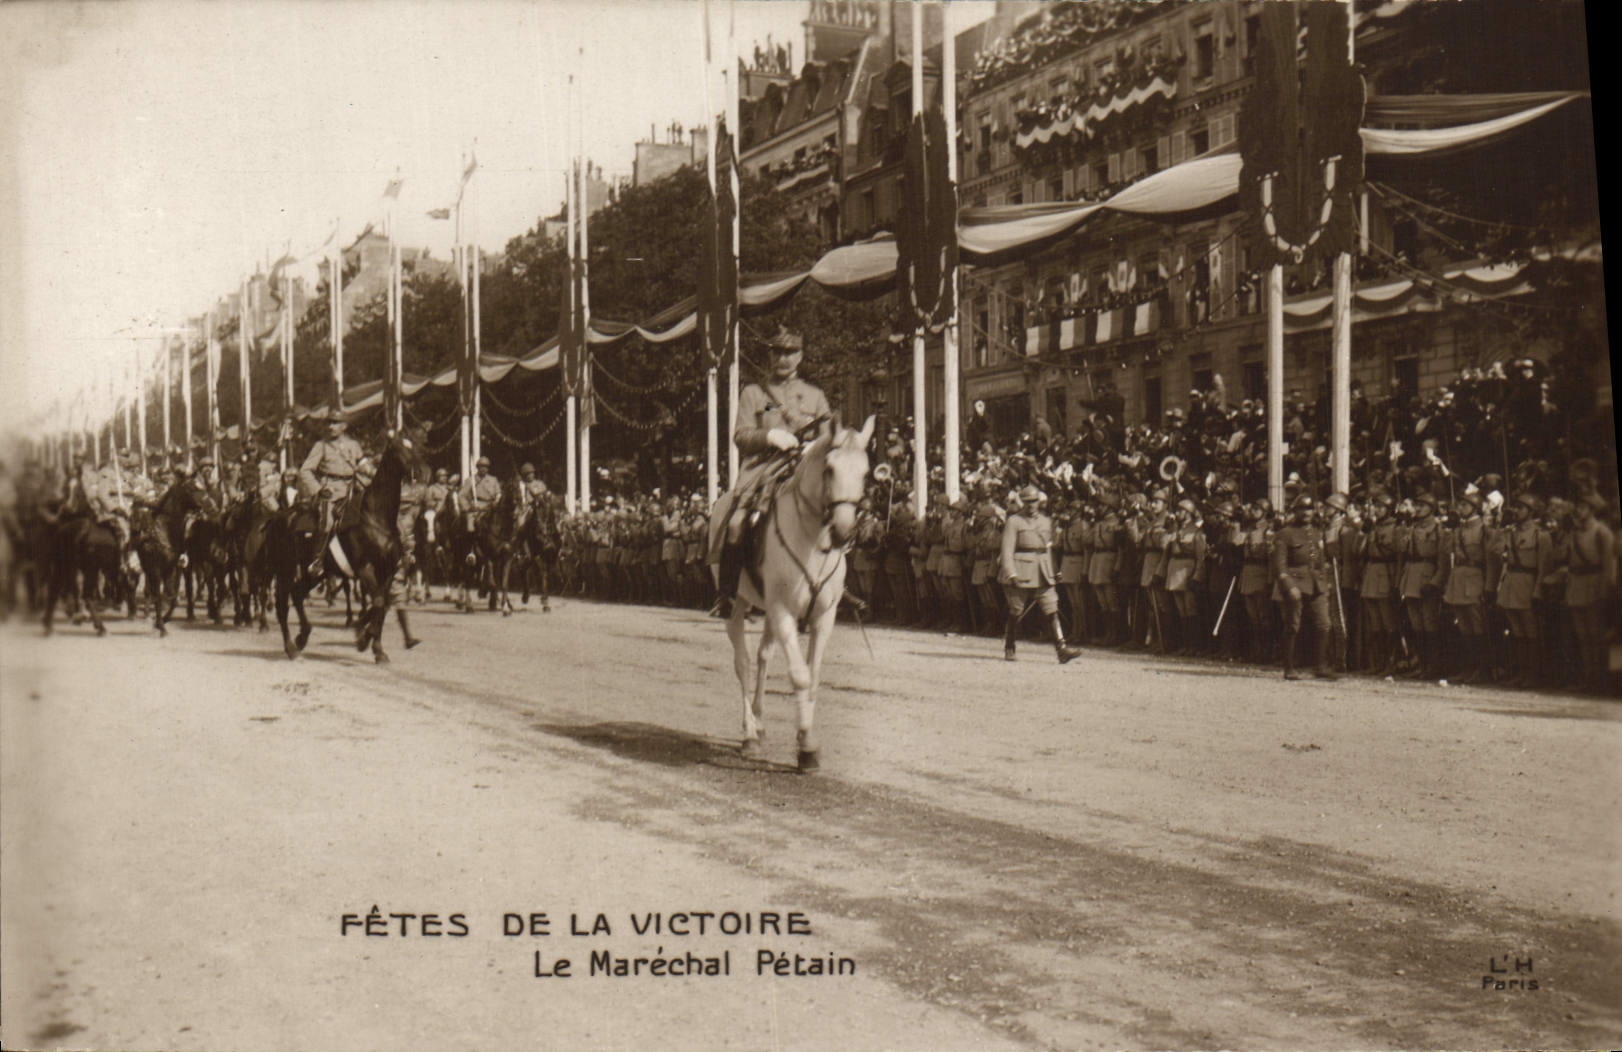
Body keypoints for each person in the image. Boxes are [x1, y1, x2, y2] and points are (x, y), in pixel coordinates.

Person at [708, 326, 831, 606]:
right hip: (762, 469)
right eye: (777, 352)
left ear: (800, 356)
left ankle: (834, 586)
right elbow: (741, 435)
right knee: (738, 522)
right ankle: (727, 592)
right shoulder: (753, 393)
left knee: (837, 512)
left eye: (790, 352)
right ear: (770, 356)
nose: (783, 359)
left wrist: (816, 447)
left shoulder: (815, 395)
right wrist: (770, 436)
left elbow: (828, 435)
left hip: (804, 465)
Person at [998, 484, 1082, 664]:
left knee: (1052, 608)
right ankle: (1009, 645)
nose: (1031, 505)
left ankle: (1061, 648)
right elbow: (1006, 550)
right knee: (1016, 610)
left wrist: (1055, 570)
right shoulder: (1014, 521)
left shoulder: (1046, 521)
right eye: (1028, 502)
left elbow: (1049, 549)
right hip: (1021, 570)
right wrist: (1010, 573)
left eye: (1034, 501)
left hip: (1043, 570)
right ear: (1022, 502)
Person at [1271, 494, 1338, 681]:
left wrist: (1325, 583)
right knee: (1293, 626)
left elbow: (1321, 562)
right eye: (1302, 509)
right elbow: (1279, 565)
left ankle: (1320, 665)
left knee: (1324, 624)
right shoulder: (1285, 534)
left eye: (1309, 509)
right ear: (1295, 511)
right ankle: (1289, 667)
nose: (1307, 513)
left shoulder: (1316, 533)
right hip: (1295, 583)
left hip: (1316, 584)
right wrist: (1288, 586)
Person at [299, 411, 364, 535]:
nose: (330, 427)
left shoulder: (353, 445)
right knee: (327, 523)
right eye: (329, 423)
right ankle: (320, 553)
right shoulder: (321, 446)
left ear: (344, 426)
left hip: (352, 491)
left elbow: (364, 465)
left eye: (335, 423)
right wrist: (318, 490)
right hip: (330, 493)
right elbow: (305, 471)